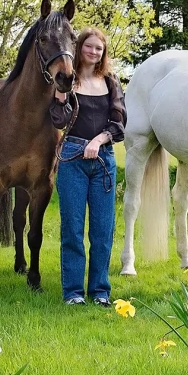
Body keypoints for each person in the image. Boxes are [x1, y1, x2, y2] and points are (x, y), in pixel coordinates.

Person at [49, 28, 126, 306]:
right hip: (72, 158)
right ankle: (73, 293)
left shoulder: (110, 81)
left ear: (103, 53)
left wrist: (99, 139)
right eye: (89, 47)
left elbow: (119, 123)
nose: (94, 52)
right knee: (72, 229)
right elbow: (58, 121)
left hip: (103, 158)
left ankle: (100, 292)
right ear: (80, 47)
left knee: (103, 230)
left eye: (99, 49)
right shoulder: (67, 81)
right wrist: (60, 95)